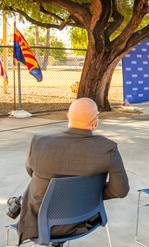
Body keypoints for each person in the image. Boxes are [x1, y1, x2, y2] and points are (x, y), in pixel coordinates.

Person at [16, 98, 129, 245]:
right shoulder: (107, 149)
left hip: (39, 226)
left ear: (68, 115)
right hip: (84, 221)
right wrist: (87, 193)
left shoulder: (39, 143)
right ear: (95, 122)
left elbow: (31, 172)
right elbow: (121, 190)